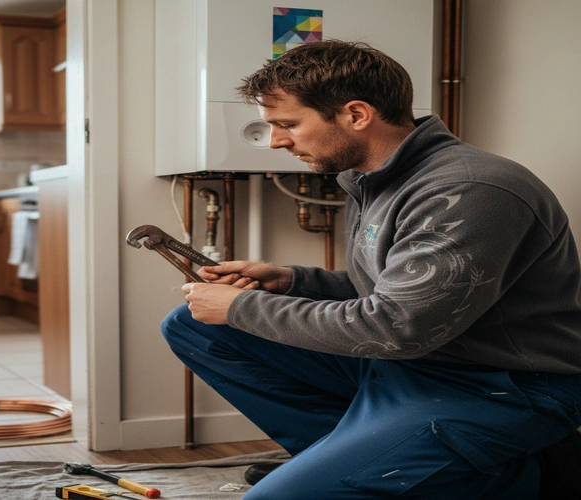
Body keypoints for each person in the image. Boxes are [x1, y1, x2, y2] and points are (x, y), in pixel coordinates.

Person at [160, 41, 581, 499]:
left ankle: (530, 478)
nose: (278, 140)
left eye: (288, 124)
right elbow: (392, 291)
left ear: (356, 115)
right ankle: (342, 458)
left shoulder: (467, 190)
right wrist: (291, 280)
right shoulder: (374, 178)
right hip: (413, 365)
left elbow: (398, 325)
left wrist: (242, 306)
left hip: (498, 389)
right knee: (193, 326)